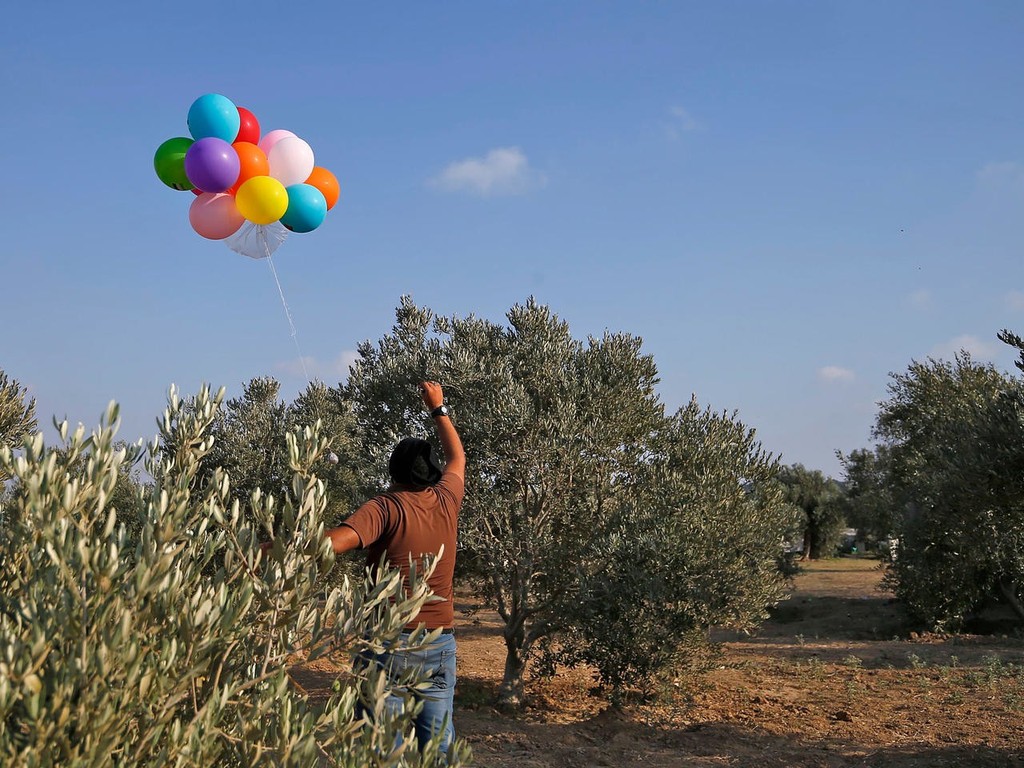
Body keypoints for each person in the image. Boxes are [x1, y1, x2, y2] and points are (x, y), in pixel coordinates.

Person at [325, 380, 465, 756]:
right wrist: (439, 408)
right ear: (430, 472)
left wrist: (284, 545)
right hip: (440, 642)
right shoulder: (447, 499)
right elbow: (458, 459)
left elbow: (337, 543)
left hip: (390, 641)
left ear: (393, 471)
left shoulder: (385, 506)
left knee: (382, 750)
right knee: (437, 749)